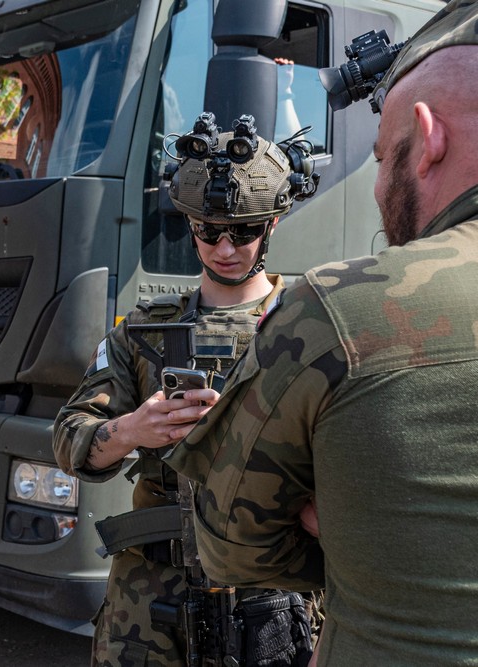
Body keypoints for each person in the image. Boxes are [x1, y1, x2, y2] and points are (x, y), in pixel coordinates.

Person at [164, 2, 478, 664]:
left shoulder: (335, 312)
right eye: (210, 231)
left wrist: (360, 535)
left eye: (383, 156)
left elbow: (232, 543)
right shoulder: (152, 327)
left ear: (428, 139)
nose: (375, 189)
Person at [53, 113, 318, 665]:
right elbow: (69, 439)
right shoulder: (142, 331)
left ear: (271, 225)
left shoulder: (309, 326)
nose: (225, 248)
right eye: (208, 231)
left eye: (243, 232)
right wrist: (133, 429)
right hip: (148, 599)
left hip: (269, 589)